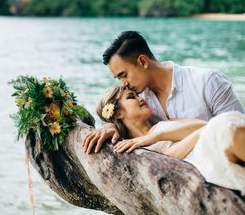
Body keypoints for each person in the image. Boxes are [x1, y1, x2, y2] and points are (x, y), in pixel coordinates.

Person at [83, 31, 244, 154]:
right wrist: (111, 125)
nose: (123, 84)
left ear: (143, 62)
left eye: (123, 75)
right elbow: (125, 116)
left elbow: (238, 129)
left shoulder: (207, 81)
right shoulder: (141, 102)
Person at [85, 85, 245, 194]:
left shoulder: (163, 125)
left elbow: (205, 126)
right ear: (118, 113)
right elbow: (168, 159)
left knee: (225, 124)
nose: (140, 98)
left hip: (207, 147)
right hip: (197, 164)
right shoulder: (131, 148)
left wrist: (156, 135)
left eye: (137, 95)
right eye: (131, 97)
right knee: (224, 127)